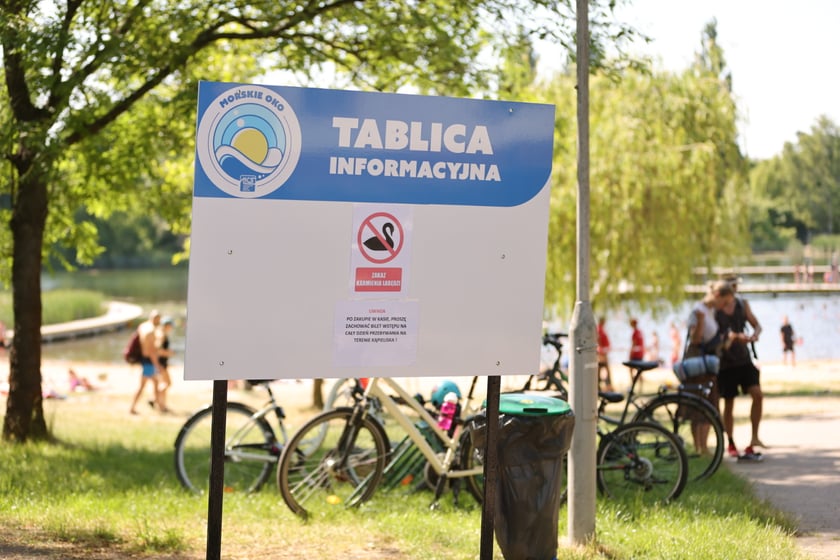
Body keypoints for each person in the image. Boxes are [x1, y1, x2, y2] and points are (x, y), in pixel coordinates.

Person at [717, 274, 764, 461]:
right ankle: (730, 441)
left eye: (736, 285)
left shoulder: (742, 305)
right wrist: (734, 337)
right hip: (726, 363)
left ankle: (754, 437)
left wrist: (755, 335)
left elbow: (757, 325)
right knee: (729, 403)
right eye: (732, 285)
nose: (735, 289)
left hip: (744, 359)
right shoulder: (717, 308)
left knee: (757, 394)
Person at [684, 280, 731, 455]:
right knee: (699, 404)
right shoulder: (699, 311)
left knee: (709, 404)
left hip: (708, 364)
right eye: (724, 302)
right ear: (717, 296)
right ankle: (699, 447)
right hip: (698, 364)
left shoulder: (710, 311)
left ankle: (703, 447)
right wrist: (702, 321)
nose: (724, 306)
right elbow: (695, 339)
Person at [129, 310, 163, 415]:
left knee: (156, 383)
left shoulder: (143, 326)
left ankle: (158, 405)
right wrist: (157, 365)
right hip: (149, 361)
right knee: (142, 386)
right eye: (158, 320)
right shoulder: (151, 331)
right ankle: (132, 408)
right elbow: (151, 351)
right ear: (156, 320)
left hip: (144, 359)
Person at [153, 317, 175, 413]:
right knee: (167, 383)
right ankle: (156, 400)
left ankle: (162, 405)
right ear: (167, 326)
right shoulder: (162, 335)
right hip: (161, 363)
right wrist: (168, 353)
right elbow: (158, 351)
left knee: (164, 383)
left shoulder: (160, 333)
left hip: (161, 363)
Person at [596, 316, 613, 391]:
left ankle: (604, 385)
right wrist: (600, 352)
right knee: (603, 368)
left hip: (603, 352)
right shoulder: (599, 329)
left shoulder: (601, 329)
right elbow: (598, 340)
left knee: (601, 369)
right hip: (601, 353)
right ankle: (606, 385)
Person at [628, 318, 645, 386]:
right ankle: (640, 385)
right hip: (640, 354)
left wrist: (630, 354)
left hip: (636, 354)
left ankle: (633, 384)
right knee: (639, 370)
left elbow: (633, 345)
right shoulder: (640, 332)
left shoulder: (635, 333)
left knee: (631, 369)